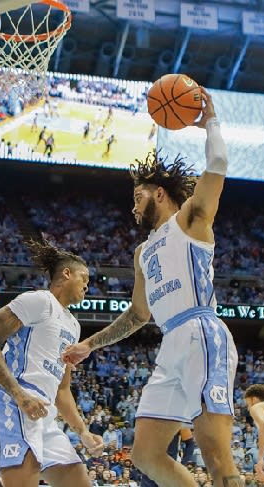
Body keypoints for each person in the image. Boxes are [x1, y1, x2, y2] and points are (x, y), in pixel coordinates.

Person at [63, 88, 242, 487]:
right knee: (144, 453)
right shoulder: (142, 252)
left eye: (137, 196)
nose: (132, 206)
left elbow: (219, 163)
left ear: (159, 193)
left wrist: (210, 119)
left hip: (202, 332)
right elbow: (138, 315)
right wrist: (89, 345)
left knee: (215, 454)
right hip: (171, 342)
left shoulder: (192, 219)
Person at [0, 239, 104, 487]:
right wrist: (19, 395)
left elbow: (62, 390)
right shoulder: (39, 301)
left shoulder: (73, 326)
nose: (88, 285)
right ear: (66, 273)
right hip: (15, 404)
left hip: (45, 413)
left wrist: (83, 431)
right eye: (84, 278)